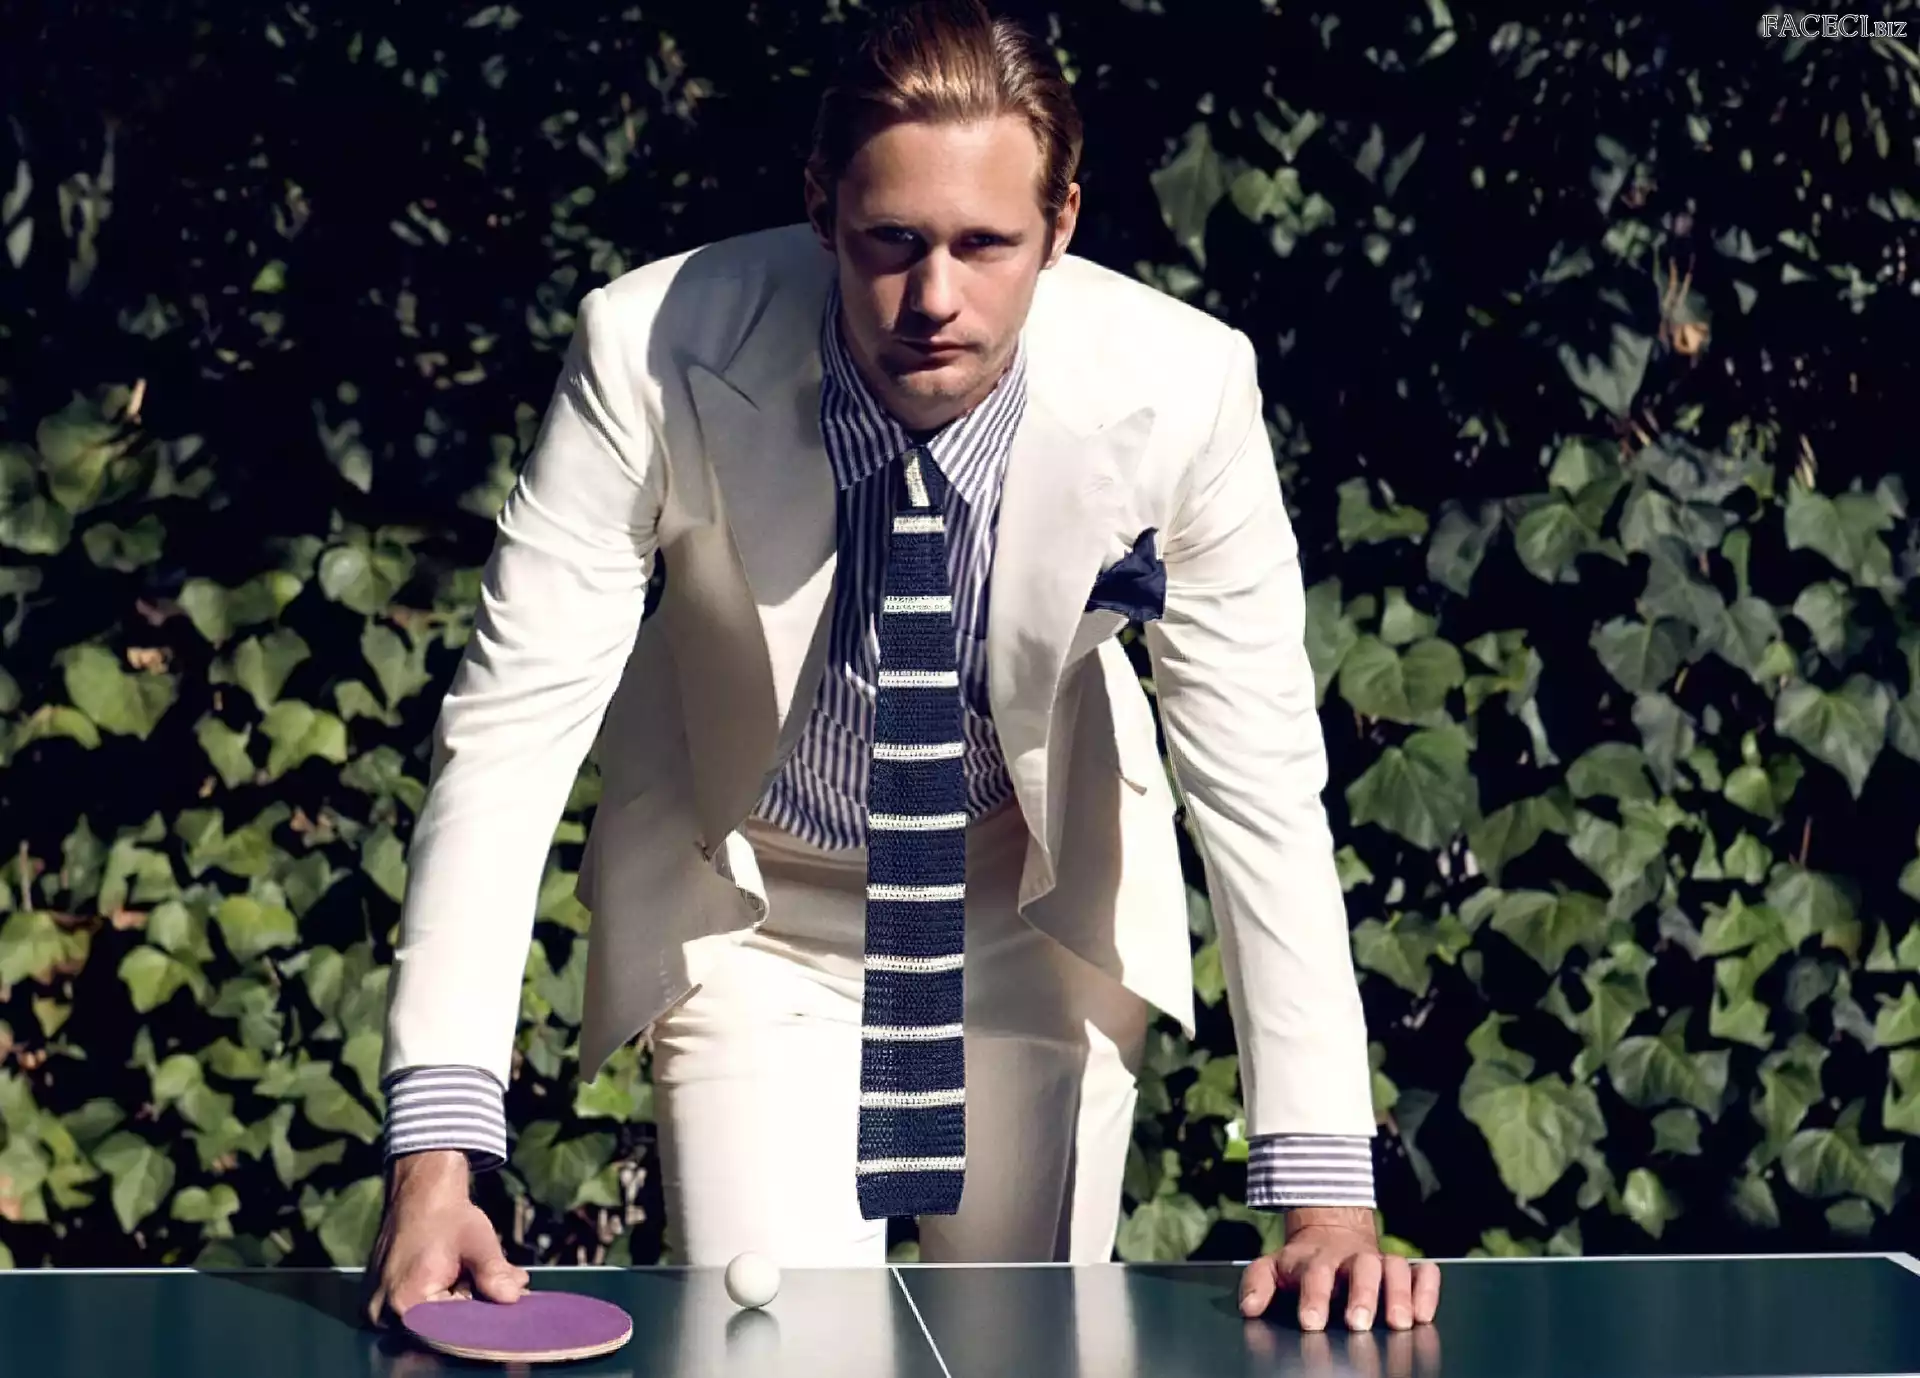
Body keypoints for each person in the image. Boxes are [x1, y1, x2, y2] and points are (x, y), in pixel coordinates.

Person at [365, 0, 1442, 1338]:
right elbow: (510, 731)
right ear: (821, 209)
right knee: (768, 1352)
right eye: (893, 242)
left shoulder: (1188, 387)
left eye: (985, 245)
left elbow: (1261, 781)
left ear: (1061, 224)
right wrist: (436, 1158)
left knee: (1028, 1355)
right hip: (759, 921)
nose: (935, 298)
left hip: (1035, 907)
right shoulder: (646, 349)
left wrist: (1329, 1197)